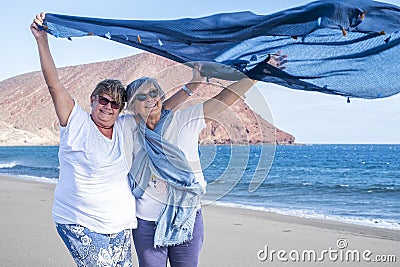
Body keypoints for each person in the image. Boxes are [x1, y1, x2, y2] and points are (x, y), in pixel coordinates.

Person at [126, 55, 286, 267]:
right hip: (147, 222)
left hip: (187, 218)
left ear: (161, 97)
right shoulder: (128, 129)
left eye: (153, 93)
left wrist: (259, 73)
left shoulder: (184, 120)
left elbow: (223, 99)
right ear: (132, 106)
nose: (149, 99)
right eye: (141, 96)